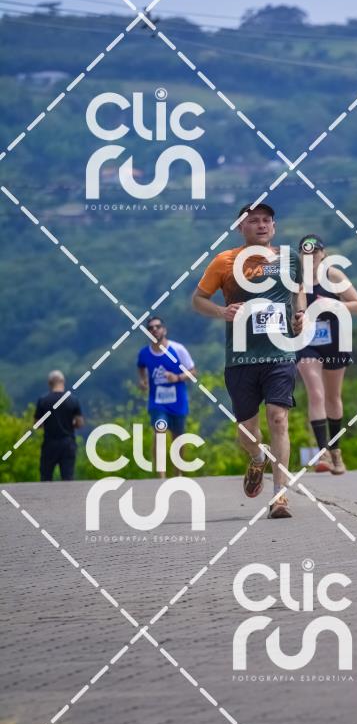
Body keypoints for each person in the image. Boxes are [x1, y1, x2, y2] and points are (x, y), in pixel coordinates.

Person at [192, 202, 305, 519]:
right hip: (241, 357)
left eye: (267, 220)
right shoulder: (225, 261)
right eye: (253, 220)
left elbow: (299, 291)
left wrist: (300, 313)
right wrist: (221, 311)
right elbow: (198, 300)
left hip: (280, 353)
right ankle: (257, 457)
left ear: (274, 226)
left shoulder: (288, 258)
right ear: (240, 227)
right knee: (246, 431)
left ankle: (280, 496)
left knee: (278, 419)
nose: (261, 225)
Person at [296, 234, 357, 475]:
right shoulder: (296, 281)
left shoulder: (334, 276)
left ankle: (336, 451)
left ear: (323, 254)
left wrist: (333, 305)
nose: (311, 256)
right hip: (307, 342)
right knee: (316, 393)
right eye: (305, 252)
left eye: (315, 252)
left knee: (333, 397)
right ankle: (322, 451)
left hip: (335, 340)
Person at [137, 317, 197, 477]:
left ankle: (178, 473)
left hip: (178, 402)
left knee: (178, 438)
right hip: (157, 402)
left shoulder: (178, 349)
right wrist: (143, 381)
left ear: (164, 330)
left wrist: (177, 377)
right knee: (160, 432)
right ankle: (161, 476)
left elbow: (193, 371)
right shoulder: (144, 353)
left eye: (157, 327)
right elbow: (141, 367)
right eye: (151, 328)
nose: (154, 330)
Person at [34, 370, 84, 482]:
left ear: (49, 383)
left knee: (46, 478)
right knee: (67, 478)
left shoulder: (43, 400)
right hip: (68, 443)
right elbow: (80, 423)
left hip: (49, 444)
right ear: (63, 381)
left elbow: (37, 424)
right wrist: (71, 423)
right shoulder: (73, 400)